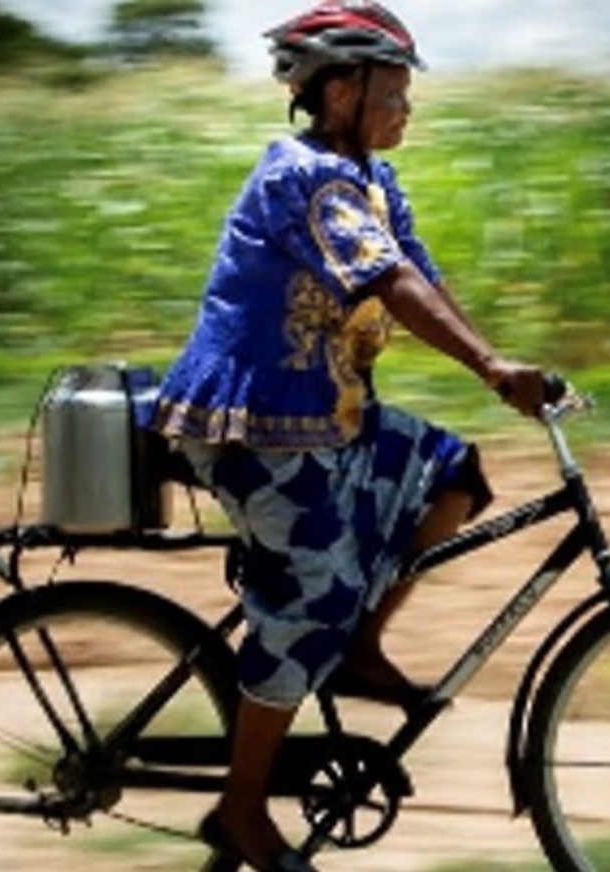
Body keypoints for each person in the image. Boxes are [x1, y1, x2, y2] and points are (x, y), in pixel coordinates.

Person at [152, 2, 545, 869]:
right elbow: (388, 279)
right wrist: (489, 369)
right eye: (393, 92)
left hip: (326, 418)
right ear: (339, 91)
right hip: (253, 427)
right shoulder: (305, 178)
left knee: (453, 474)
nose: (407, 108)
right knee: (312, 598)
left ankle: (359, 650)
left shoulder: (368, 180)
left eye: (407, 93)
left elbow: (422, 280)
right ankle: (241, 811)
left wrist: (501, 360)